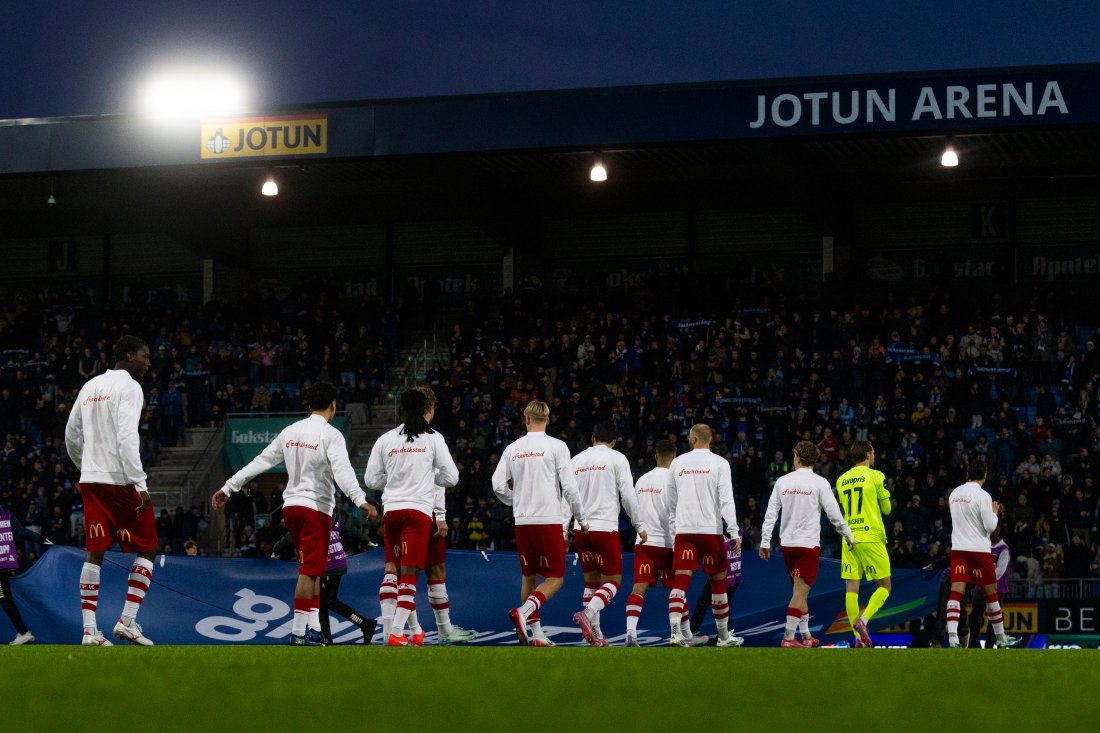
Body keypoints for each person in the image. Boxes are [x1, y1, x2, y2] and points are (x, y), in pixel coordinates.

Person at [212, 381, 378, 646]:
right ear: (333, 405)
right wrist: (361, 500)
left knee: (315, 570)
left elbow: (260, 461)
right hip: (315, 509)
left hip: (291, 509)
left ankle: (315, 628)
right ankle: (299, 633)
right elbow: (343, 473)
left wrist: (229, 486)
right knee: (309, 571)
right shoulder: (331, 434)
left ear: (309, 405)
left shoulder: (290, 431)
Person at [64, 335, 158, 646]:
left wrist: (86, 466)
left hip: (91, 481)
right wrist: (140, 483)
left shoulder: (89, 386)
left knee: (95, 551)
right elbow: (127, 437)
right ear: (130, 356)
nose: (148, 362)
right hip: (119, 480)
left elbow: (71, 434)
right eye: (144, 356)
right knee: (148, 546)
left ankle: (89, 630)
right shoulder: (130, 387)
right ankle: (127, 621)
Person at [365, 388, 459, 646]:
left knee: (391, 568)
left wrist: (394, 480)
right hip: (417, 511)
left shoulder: (385, 439)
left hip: (391, 511)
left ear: (402, 411)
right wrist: (428, 476)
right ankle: (396, 632)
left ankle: (399, 631)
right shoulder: (433, 438)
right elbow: (452, 477)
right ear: (426, 410)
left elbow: (371, 480)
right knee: (409, 572)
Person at [493, 400, 588, 647]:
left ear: (526, 419)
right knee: (555, 578)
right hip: (548, 519)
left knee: (529, 576)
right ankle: (523, 613)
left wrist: (516, 499)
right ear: (548, 419)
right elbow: (569, 487)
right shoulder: (557, 446)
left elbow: (497, 485)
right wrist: (581, 518)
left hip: (523, 520)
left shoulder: (513, 448)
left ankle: (536, 634)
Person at [759, 440, 855, 648]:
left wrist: (765, 541)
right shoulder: (820, 483)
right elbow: (834, 514)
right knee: (800, 593)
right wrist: (848, 535)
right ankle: (788, 638)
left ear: (798, 457)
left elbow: (770, 513)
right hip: (808, 546)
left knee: (799, 592)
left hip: (788, 546)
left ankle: (806, 636)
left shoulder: (783, 481)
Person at [570, 421, 648, 647]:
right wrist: (639, 525)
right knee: (613, 581)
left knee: (591, 582)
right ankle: (587, 613)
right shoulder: (617, 458)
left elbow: (567, 495)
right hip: (604, 527)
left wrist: (566, 526)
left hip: (580, 529)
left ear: (592, 439)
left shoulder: (576, 460)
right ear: (613, 442)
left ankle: (596, 634)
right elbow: (628, 495)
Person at [666, 423, 742, 648]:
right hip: (710, 531)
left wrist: (674, 531)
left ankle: (675, 634)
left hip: (685, 531)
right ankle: (724, 637)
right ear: (710, 439)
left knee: (680, 581)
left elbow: (670, 502)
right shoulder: (720, 463)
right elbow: (727, 500)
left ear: (693, 439)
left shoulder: (677, 463)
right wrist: (733, 530)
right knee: (718, 583)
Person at [625, 440, 704, 647]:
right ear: (675, 457)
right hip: (668, 543)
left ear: (655, 456)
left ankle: (631, 633)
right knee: (678, 591)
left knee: (638, 588)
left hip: (644, 542)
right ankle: (683, 635)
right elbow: (677, 513)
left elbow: (634, 510)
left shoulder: (641, 481)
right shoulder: (675, 480)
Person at [273, 507, 378, 644]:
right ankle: (332, 635)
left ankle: (363, 624)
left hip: (327, 562)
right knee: (325, 601)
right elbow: (351, 529)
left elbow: (290, 537)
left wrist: (276, 549)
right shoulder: (335, 513)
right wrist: (366, 540)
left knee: (327, 602)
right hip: (338, 559)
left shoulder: (313, 515)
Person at [945, 460, 1014, 649]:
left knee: (956, 591)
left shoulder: (954, 494)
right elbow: (990, 527)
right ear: (985, 475)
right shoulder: (983, 496)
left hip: (959, 549)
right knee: (991, 594)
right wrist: (994, 512)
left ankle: (952, 638)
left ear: (967, 474)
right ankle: (1001, 638)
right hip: (979, 551)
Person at [834, 440, 892, 648]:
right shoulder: (876, 476)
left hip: (849, 537)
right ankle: (864, 621)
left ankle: (857, 638)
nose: (874, 456)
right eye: (873, 452)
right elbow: (887, 510)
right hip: (870, 536)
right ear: (867, 454)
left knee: (851, 589)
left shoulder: (841, 480)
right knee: (885, 586)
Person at [1, 503, 48, 644]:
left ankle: (23, 632)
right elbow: (21, 531)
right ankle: (22, 632)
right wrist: (42, 539)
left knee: (4, 600)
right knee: (5, 599)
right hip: (6, 563)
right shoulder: (6, 514)